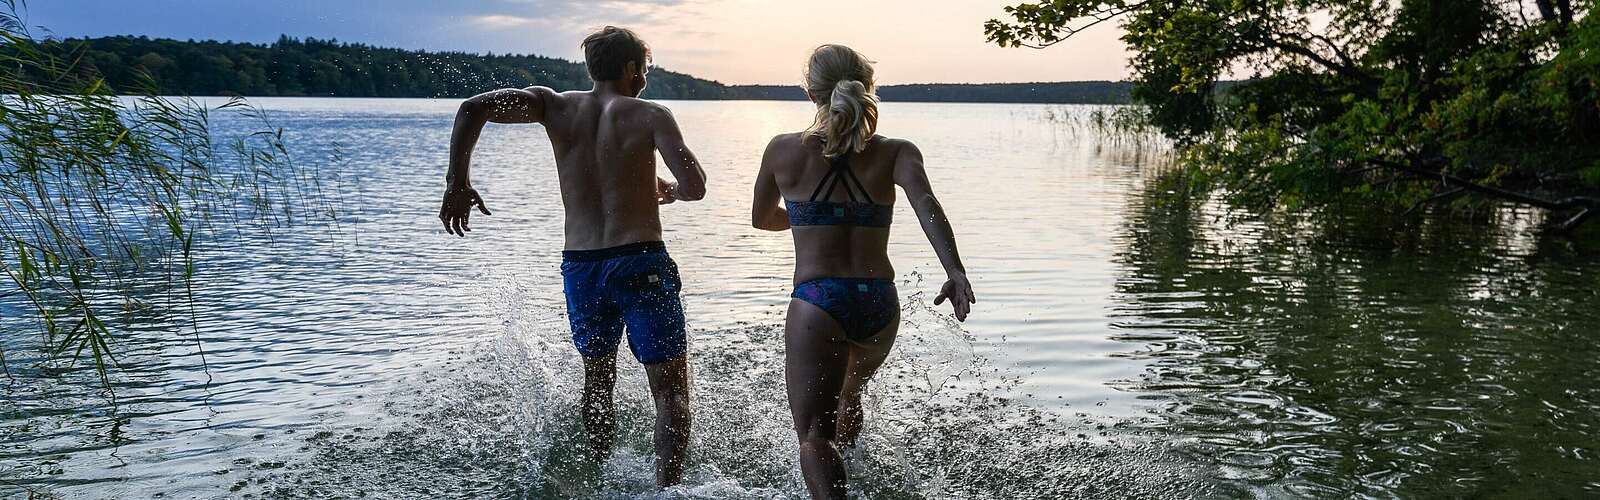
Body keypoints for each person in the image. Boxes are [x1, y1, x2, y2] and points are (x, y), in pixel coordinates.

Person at [437, 26, 708, 487]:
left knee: (598, 382)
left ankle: (600, 479)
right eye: (644, 68)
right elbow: (697, 186)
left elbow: (472, 108)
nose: (644, 77)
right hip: (641, 260)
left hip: (582, 267)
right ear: (630, 69)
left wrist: (457, 183)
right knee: (669, 392)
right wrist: (674, 191)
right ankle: (667, 490)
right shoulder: (651, 114)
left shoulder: (552, 105)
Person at [750, 44, 976, 499]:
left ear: (809, 91)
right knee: (850, 397)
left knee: (815, 434)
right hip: (878, 303)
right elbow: (927, 206)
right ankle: (854, 478)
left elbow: (761, 218)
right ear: (867, 87)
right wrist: (955, 271)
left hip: (818, 300)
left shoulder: (782, 150)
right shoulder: (896, 152)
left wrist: (809, 216)